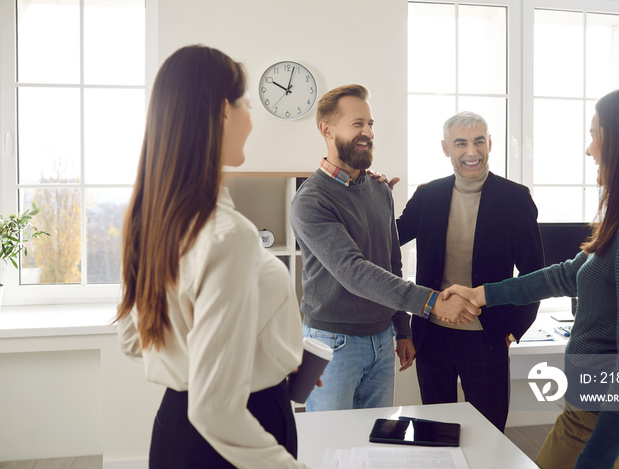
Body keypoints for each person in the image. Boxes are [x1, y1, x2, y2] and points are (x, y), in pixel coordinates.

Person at [443, 86, 619, 469]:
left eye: (595, 133)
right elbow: (567, 275)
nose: (589, 148)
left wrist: (595, 458)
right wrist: (482, 295)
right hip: (605, 406)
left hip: (606, 413)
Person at [116, 45, 309, 469]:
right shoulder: (230, 236)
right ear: (223, 111)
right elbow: (215, 409)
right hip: (235, 436)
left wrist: (254, 356)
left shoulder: (154, 218)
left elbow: (135, 339)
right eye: (247, 104)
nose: (251, 119)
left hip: (174, 432)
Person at [290, 84, 480, 412]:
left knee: (374, 443)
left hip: (381, 339)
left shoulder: (378, 189)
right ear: (326, 129)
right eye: (357, 124)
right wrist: (431, 302)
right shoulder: (311, 201)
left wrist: (401, 328)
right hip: (331, 344)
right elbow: (355, 272)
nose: (367, 133)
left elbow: (391, 262)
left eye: (371, 124)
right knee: (329, 448)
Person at [395, 111, 544, 432]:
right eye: (461, 143)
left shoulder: (515, 199)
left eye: (479, 142)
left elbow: (534, 271)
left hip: (487, 336)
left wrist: (514, 327)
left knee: (489, 433)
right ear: (446, 148)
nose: (472, 152)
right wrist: (373, 195)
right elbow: (388, 240)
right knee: (435, 429)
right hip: (431, 335)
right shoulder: (427, 195)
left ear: (489, 144)